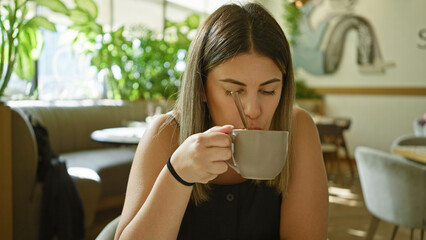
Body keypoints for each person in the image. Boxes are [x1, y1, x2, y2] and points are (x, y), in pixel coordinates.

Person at [114, 2, 328, 239]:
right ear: (202, 88)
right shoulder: (165, 134)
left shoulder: (297, 128)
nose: (253, 110)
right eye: (233, 91)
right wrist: (178, 174)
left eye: (268, 91)